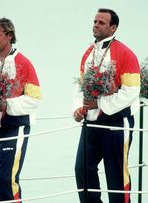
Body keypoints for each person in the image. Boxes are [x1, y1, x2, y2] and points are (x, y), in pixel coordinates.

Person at [73, 9, 140, 203]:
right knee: (82, 169)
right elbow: (80, 87)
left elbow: (131, 91)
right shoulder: (88, 53)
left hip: (117, 123)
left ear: (113, 27)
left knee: (116, 177)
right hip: (91, 122)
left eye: (101, 23)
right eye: (95, 21)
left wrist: (100, 103)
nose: (96, 25)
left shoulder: (126, 53)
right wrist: (78, 108)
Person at [0, 17, 41, 201]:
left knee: (8, 178)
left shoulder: (24, 63)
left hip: (17, 126)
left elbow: (34, 99)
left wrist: (6, 105)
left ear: (9, 35)